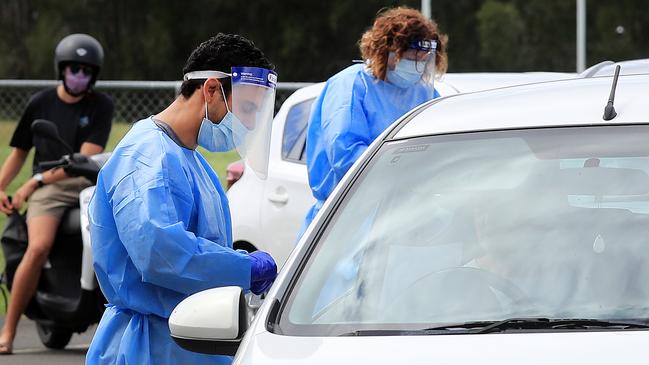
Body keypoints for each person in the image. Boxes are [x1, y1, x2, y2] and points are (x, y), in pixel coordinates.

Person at [85, 33, 279, 365]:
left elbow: (199, 244)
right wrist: (243, 268)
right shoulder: (146, 156)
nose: (248, 124)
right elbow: (160, 253)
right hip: (151, 347)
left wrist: (234, 261)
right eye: (246, 108)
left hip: (189, 341)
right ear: (212, 90)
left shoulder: (189, 157)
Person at [0, 33, 113, 355]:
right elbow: (20, 151)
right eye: (73, 68)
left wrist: (31, 183)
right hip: (49, 190)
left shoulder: (101, 106)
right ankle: (8, 330)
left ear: (94, 75)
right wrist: (4, 186)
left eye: (86, 70)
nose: (79, 75)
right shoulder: (40, 102)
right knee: (38, 247)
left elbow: (85, 156)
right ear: (61, 69)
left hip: (84, 180)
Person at [299, 7, 448, 237]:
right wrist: (408, 171)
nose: (417, 67)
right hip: (347, 222)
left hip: (406, 221)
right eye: (410, 58)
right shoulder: (351, 86)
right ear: (386, 51)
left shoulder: (424, 93)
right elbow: (347, 157)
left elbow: (443, 149)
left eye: (424, 60)